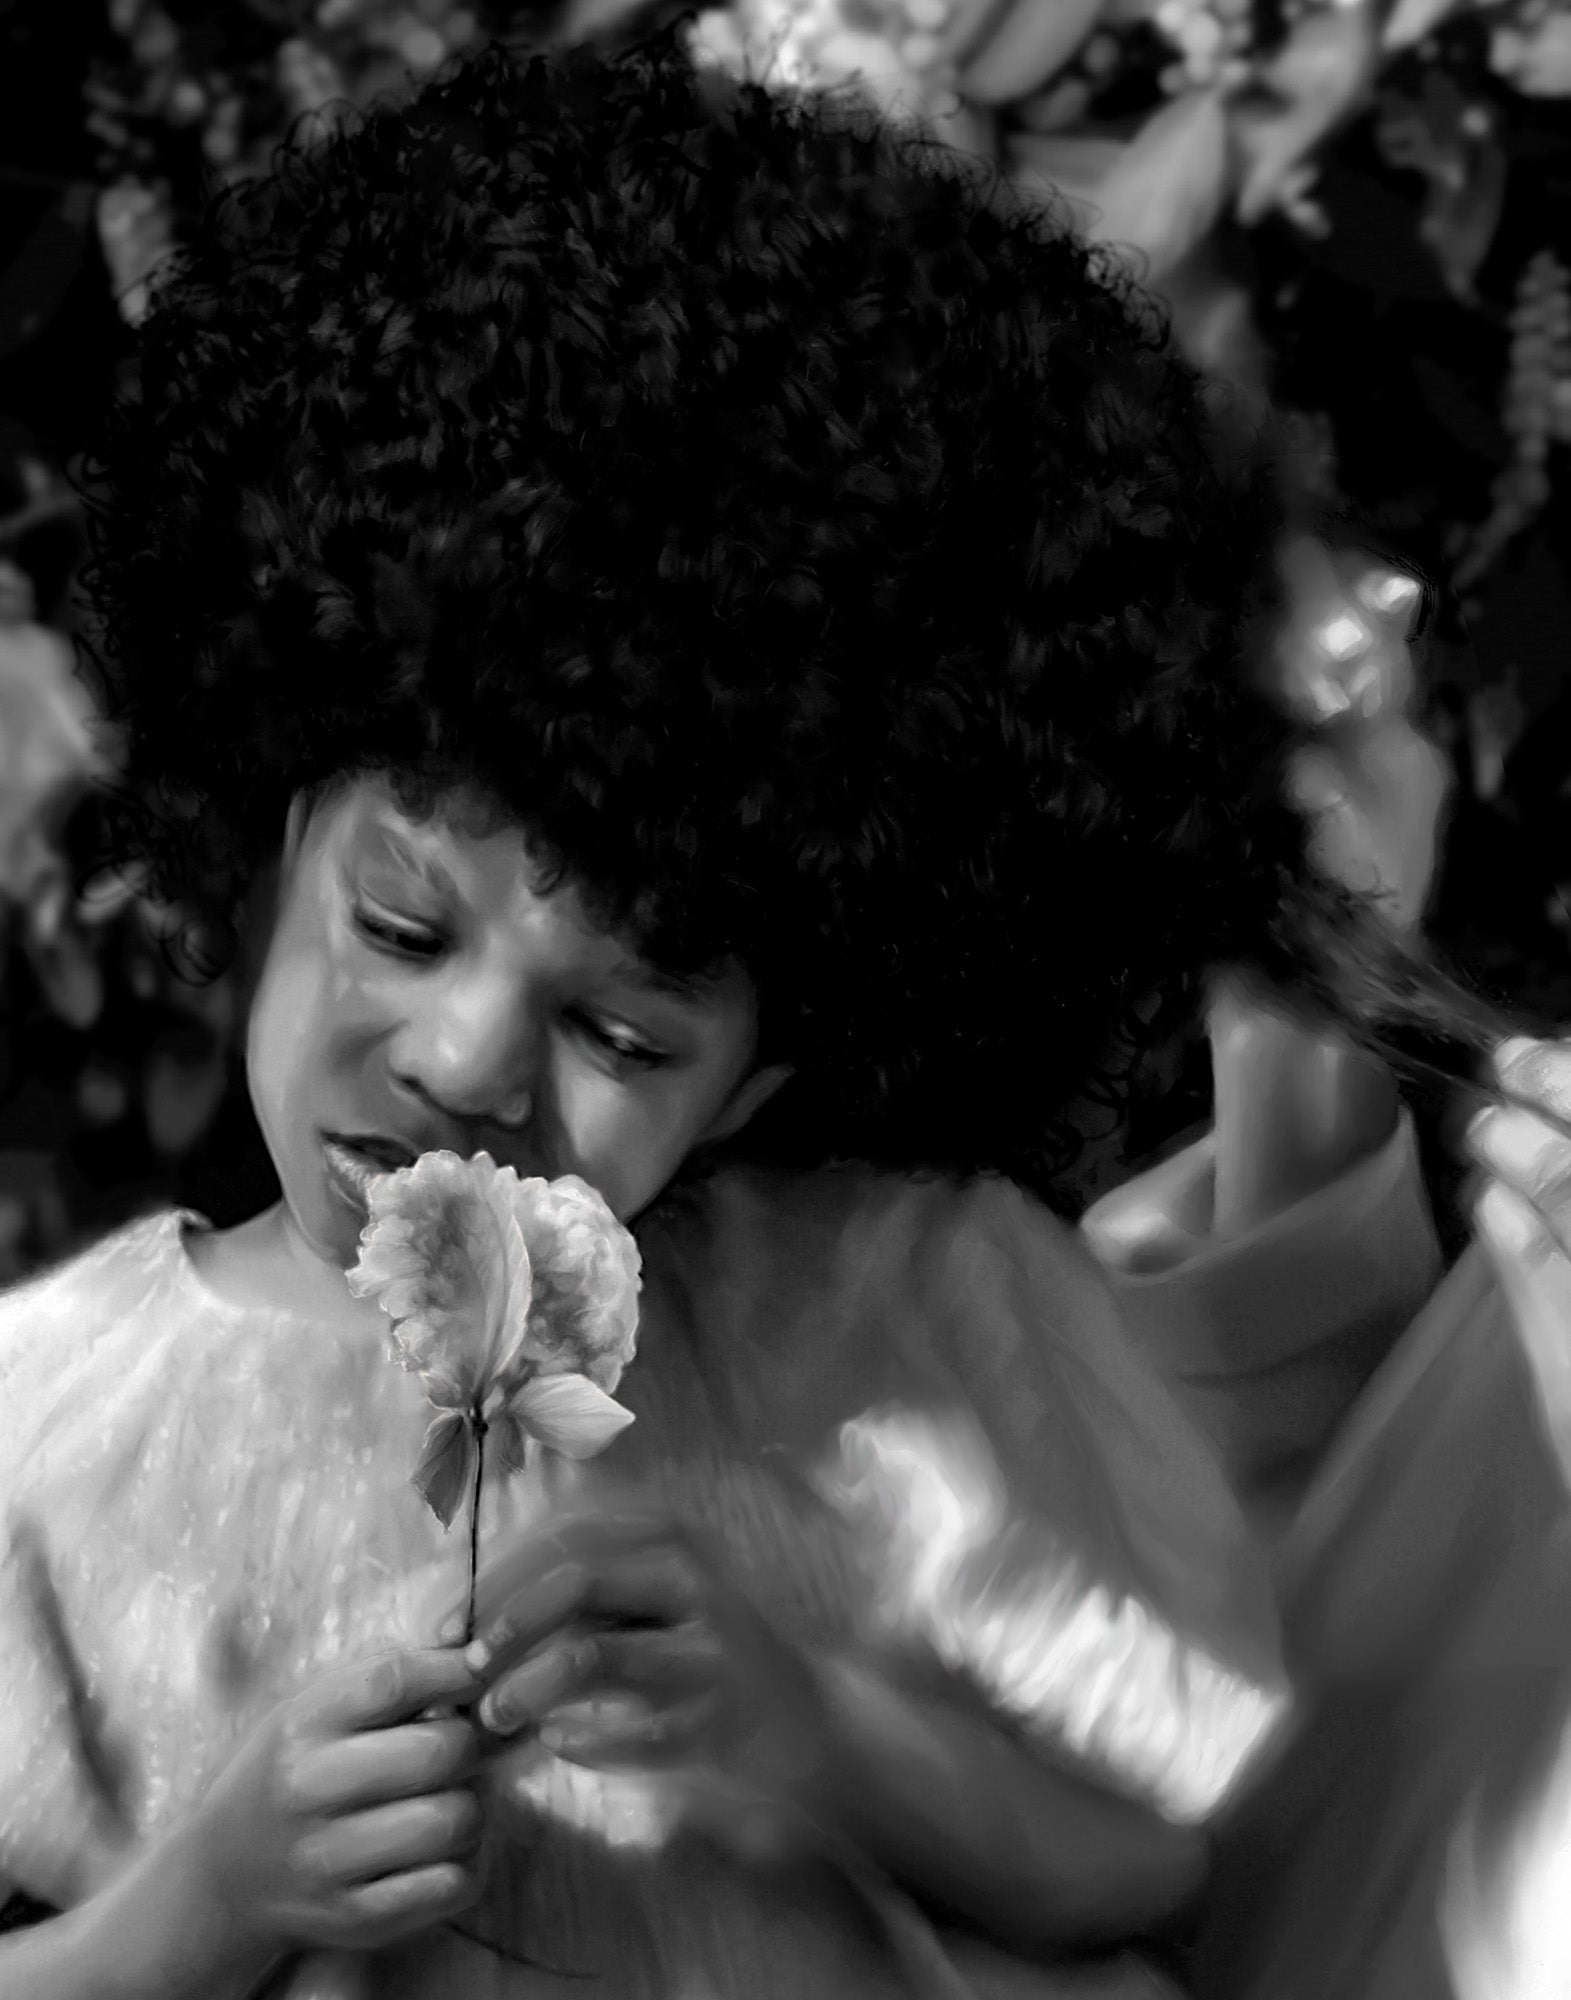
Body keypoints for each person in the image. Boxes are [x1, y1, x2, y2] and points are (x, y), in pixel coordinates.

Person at [0, 21, 1540, 2000]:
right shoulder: (54, 1422)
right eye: (401, 922)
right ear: (271, 799)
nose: (470, 1061)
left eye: (628, 1034)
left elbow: (1150, 1866)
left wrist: (821, 1732)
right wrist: (190, 1912)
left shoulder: (921, 1318)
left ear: (778, 1063)